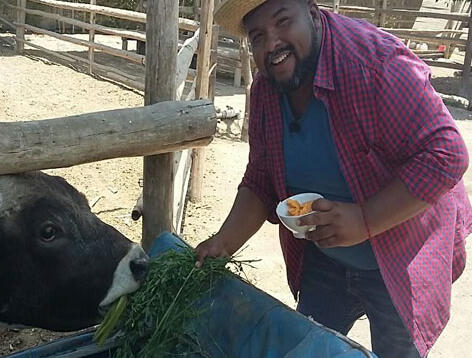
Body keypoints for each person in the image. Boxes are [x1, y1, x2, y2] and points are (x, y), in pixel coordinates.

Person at [195, 1, 472, 357]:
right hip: (323, 255)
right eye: (258, 36)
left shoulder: (375, 64)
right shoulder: (266, 90)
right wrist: (224, 243)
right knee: (309, 346)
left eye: (283, 22)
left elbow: (446, 154)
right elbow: (261, 178)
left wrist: (365, 219)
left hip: (402, 253)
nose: (272, 44)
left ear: (311, 12)